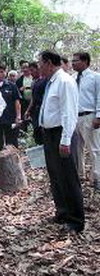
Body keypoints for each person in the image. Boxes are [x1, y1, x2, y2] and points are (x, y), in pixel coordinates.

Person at [39, 50, 84, 233]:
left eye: (41, 63)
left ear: (49, 63)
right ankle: (63, 212)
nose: (39, 67)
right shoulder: (52, 82)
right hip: (49, 134)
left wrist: (65, 140)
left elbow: (69, 113)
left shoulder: (65, 81)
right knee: (56, 176)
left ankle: (76, 220)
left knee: (68, 177)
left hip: (61, 134)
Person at [72, 52, 100, 190]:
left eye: (76, 61)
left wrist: (98, 116)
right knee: (77, 148)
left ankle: (97, 177)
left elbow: (99, 97)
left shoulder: (95, 77)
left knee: (94, 148)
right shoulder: (72, 78)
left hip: (90, 116)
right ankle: (80, 174)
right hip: (75, 117)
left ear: (85, 62)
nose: (72, 63)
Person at [0, 63, 21, 152]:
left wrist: (18, 116)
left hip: (10, 119)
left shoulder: (12, 86)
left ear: (5, 72)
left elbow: (17, 102)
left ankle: (15, 164)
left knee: (12, 144)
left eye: (1, 72)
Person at [23, 62, 47, 145]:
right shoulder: (33, 82)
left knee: (43, 132)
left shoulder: (45, 81)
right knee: (36, 132)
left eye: (32, 70)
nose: (31, 73)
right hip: (35, 112)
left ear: (38, 69)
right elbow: (33, 98)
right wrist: (28, 110)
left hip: (43, 110)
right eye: (30, 71)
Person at [16, 61, 33, 131]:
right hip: (24, 102)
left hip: (33, 102)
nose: (25, 69)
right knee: (24, 118)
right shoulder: (19, 80)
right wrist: (20, 90)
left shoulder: (34, 77)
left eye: (27, 67)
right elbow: (16, 92)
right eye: (23, 68)